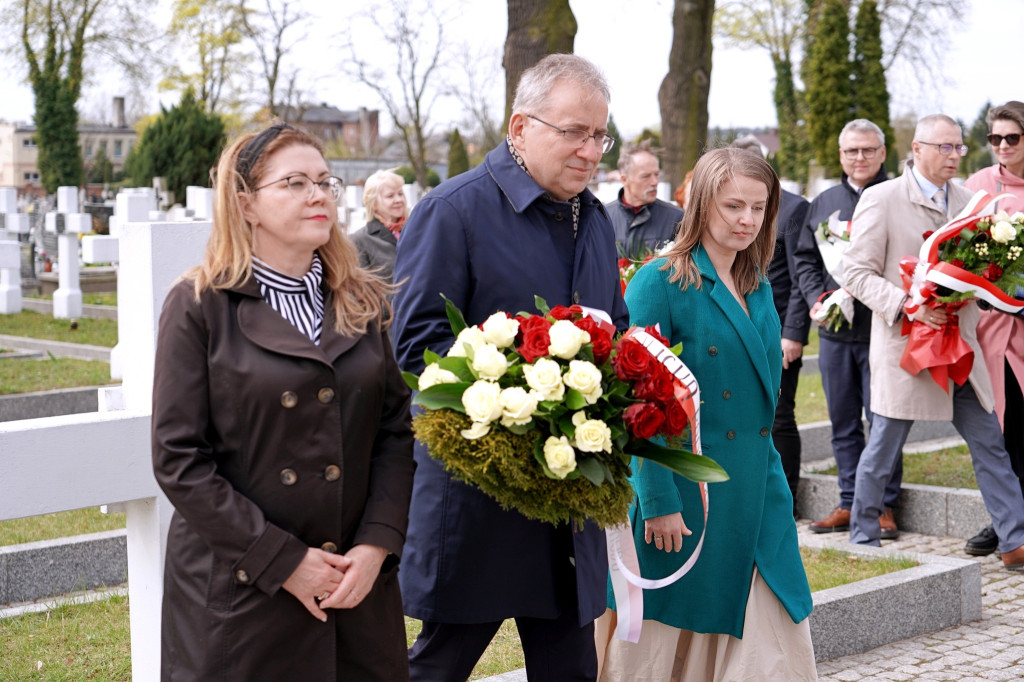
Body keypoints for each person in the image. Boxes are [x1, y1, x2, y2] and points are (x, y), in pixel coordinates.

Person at [392, 54, 628, 682]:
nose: (590, 150)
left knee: (571, 669)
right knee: (441, 666)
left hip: (567, 500)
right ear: (520, 128)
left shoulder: (596, 221)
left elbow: (616, 335)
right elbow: (417, 350)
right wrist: (508, 403)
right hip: (481, 495)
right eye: (574, 132)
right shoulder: (454, 211)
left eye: (599, 135)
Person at [151, 122, 416, 680]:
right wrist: (285, 561)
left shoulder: (361, 301)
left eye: (325, 181)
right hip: (246, 592)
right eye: (294, 183)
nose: (318, 194)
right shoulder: (200, 306)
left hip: (353, 587)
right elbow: (179, 459)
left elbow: (394, 432)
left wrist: (376, 546)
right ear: (246, 202)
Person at [599, 147, 816, 681]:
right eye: (732, 206)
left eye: (759, 208)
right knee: (664, 646)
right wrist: (657, 501)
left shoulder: (757, 282)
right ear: (699, 205)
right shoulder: (658, 282)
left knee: (777, 641)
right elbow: (638, 401)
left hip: (756, 489)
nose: (747, 220)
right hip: (684, 494)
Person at [842, 114, 1024, 572]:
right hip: (909, 348)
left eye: (959, 148)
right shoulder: (881, 199)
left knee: (991, 445)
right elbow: (853, 272)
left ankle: (1015, 540)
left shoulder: (970, 201)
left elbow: (982, 270)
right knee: (883, 447)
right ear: (917, 149)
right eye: (944, 148)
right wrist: (909, 303)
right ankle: (862, 539)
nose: (954, 156)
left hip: (961, 349)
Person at [793, 119, 902, 538]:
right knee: (842, 421)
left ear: (882, 153)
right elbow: (806, 258)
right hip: (836, 333)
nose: (860, 158)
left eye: (868, 150)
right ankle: (849, 500)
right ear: (840, 155)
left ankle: (882, 506)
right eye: (851, 151)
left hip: (883, 328)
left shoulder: (896, 197)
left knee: (885, 419)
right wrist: (817, 297)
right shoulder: (823, 203)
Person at [731, 137, 811, 514]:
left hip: (776, 330)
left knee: (780, 414)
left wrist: (792, 332)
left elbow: (801, 276)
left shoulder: (794, 209)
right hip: (737, 329)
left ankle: (786, 500)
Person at [962, 101, 1024, 557]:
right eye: (995, 139)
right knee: (995, 431)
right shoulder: (978, 186)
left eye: (1012, 138)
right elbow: (958, 245)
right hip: (988, 327)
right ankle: (1007, 522)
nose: (1002, 147)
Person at [606, 141, 683, 258]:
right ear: (624, 179)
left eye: (657, 174)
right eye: (645, 176)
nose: (655, 182)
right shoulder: (603, 217)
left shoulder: (678, 219)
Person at [350, 169, 408, 284]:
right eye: (390, 196)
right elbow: (361, 289)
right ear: (374, 204)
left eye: (400, 194)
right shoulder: (360, 240)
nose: (399, 200)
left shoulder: (415, 231)